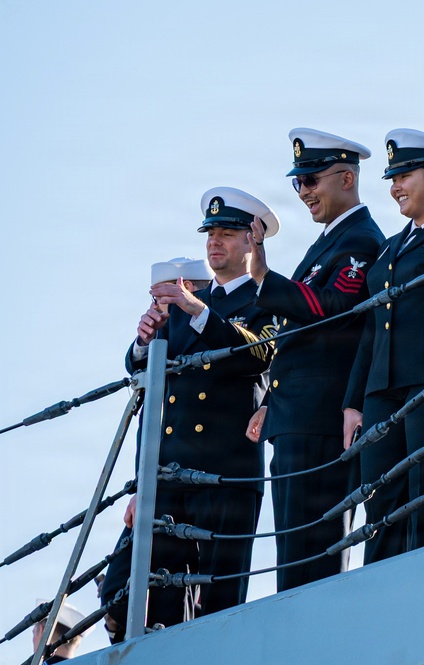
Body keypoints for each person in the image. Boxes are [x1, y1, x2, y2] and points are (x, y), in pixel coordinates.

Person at [103, 189, 278, 634]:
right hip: (172, 475)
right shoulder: (190, 309)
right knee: (124, 596)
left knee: (218, 609)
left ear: (251, 241)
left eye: (228, 233)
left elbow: (254, 354)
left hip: (226, 476)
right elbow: (146, 378)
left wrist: (194, 309)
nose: (215, 242)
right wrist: (145, 341)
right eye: (211, 233)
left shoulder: (269, 300)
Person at [247, 129, 384, 590]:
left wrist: (265, 278)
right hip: (294, 417)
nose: (304, 192)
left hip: (322, 419)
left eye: (311, 180)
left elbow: (331, 307)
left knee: (313, 558)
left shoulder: (362, 240)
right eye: (297, 183)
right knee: (292, 559)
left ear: (346, 178)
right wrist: (272, 401)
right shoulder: (328, 242)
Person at [342, 129, 424, 563]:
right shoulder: (389, 250)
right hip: (382, 392)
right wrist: (354, 403)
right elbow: (371, 330)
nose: (395, 186)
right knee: (380, 503)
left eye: (404, 175)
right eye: (391, 178)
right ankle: (381, 603)